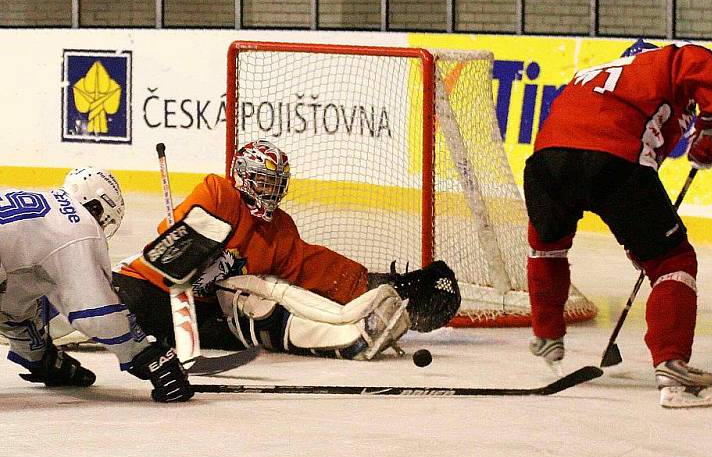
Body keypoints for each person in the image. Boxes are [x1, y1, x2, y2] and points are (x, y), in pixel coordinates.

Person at [524, 39, 712, 408]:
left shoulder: (590, 74)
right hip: (612, 162)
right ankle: (672, 371)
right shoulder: (657, 65)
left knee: (547, 245)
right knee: (672, 261)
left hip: (544, 164)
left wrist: (638, 237)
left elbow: (605, 145)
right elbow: (707, 61)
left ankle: (546, 335)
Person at [113, 140, 459, 361]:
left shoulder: (278, 228)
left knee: (264, 308)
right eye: (264, 183)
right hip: (146, 291)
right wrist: (198, 253)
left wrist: (371, 284)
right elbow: (167, 244)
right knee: (113, 312)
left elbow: (311, 268)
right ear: (244, 178)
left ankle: (354, 333)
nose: (271, 192)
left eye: (276, 185)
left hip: (204, 314)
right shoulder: (218, 193)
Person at [0, 167, 193, 403]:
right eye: (104, 219)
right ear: (96, 206)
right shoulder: (79, 227)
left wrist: (40, 357)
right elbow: (96, 312)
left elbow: (13, 302)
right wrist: (147, 355)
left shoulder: (45, 211)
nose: (101, 225)